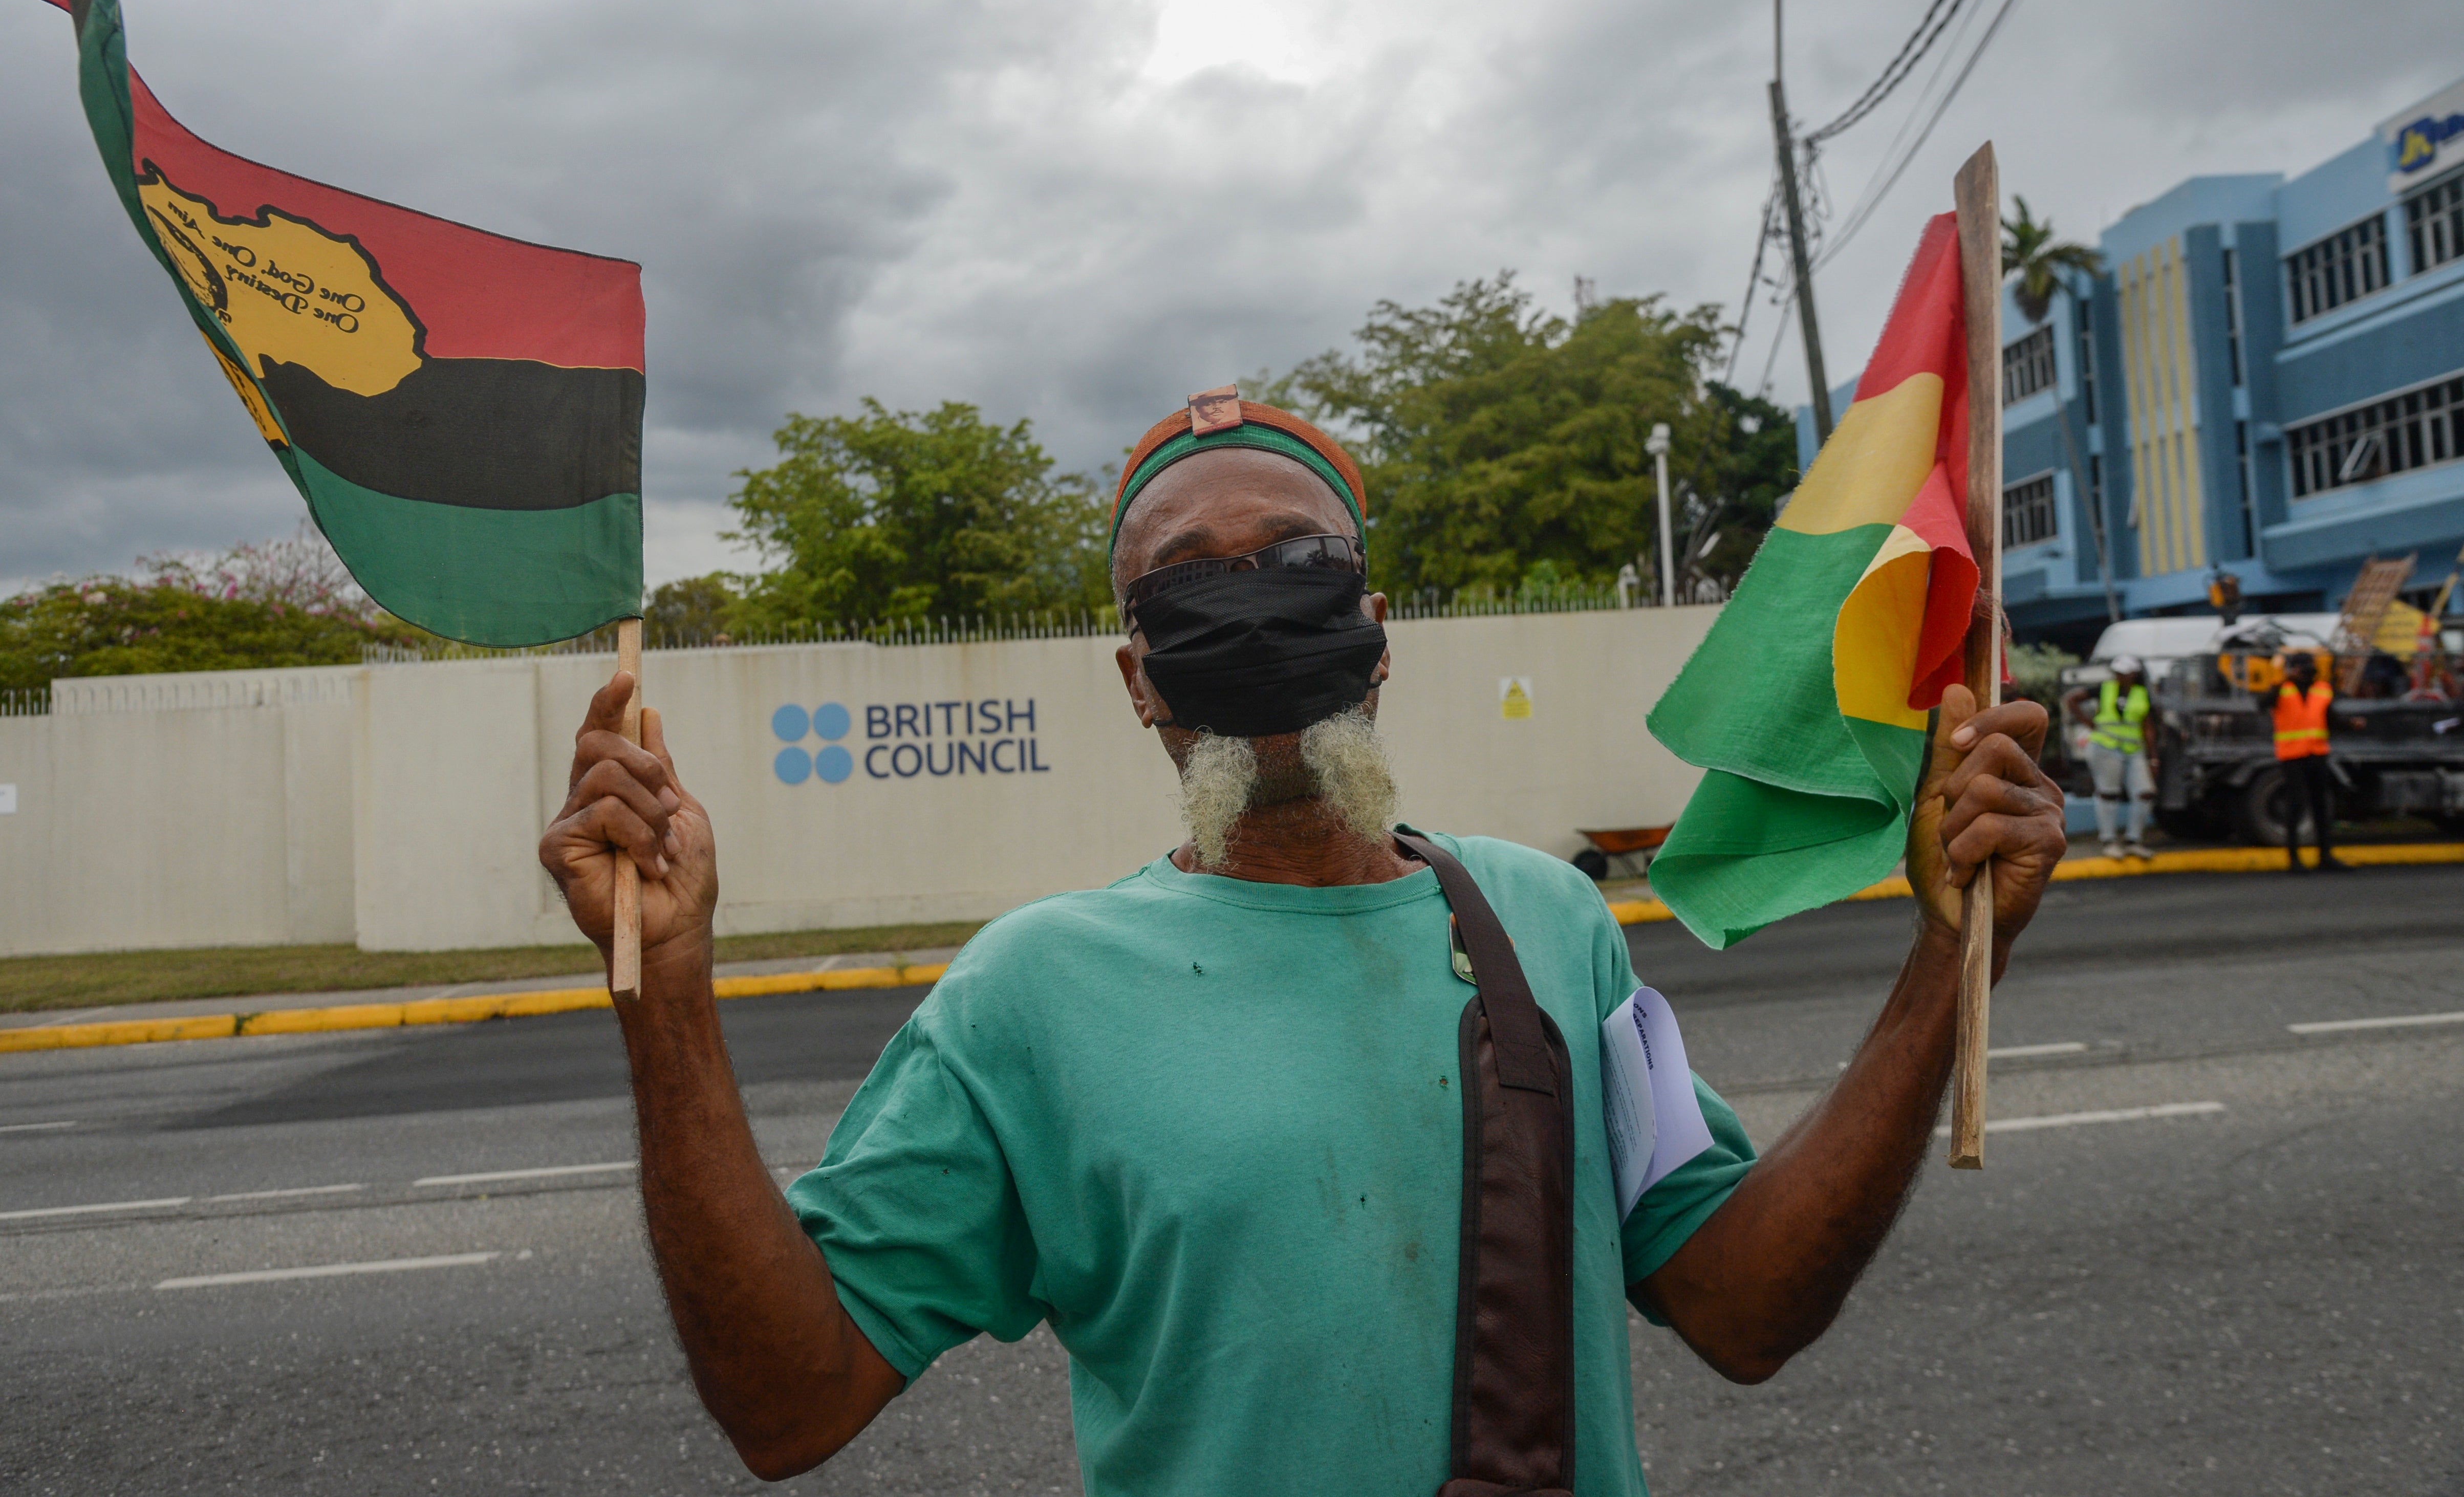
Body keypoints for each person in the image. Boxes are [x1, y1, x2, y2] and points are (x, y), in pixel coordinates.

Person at [536, 396, 2071, 1494]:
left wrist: (1946, 962)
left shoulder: (1545, 921)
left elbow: (1737, 1308)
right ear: (1137, 674)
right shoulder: (1028, 997)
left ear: (1376, 630)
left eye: (1291, 562)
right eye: (1191, 581)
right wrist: (666, 1000)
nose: (1249, 606)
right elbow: (786, 1405)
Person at [2070, 653, 2157, 861]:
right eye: (2118, 672)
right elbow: (2072, 699)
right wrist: (2088, 723)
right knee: (2109, 792)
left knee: (2145, 792)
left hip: (2133, 749)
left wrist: (2153, 756)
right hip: (2105, 747)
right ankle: (2109, 840)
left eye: (2125, 673)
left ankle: (2133, 841)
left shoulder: (2141, 694)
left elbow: (2147, 726)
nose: (2120, 676)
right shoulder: (2104, 689)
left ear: (2134, 674)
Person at [2273, 650, 2349, 872]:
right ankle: (2294, 859)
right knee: (2296, 806)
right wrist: (2283, 679)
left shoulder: (2323, 689)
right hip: (2292, 756)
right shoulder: (2282, 689)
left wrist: (2351, 725)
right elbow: (2263, 704)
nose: (2307, 671)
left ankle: (2325, 855)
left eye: (2309, 666)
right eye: (2302, 667)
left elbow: (2330, 718)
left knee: (2321, 806)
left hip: (2317, 754)